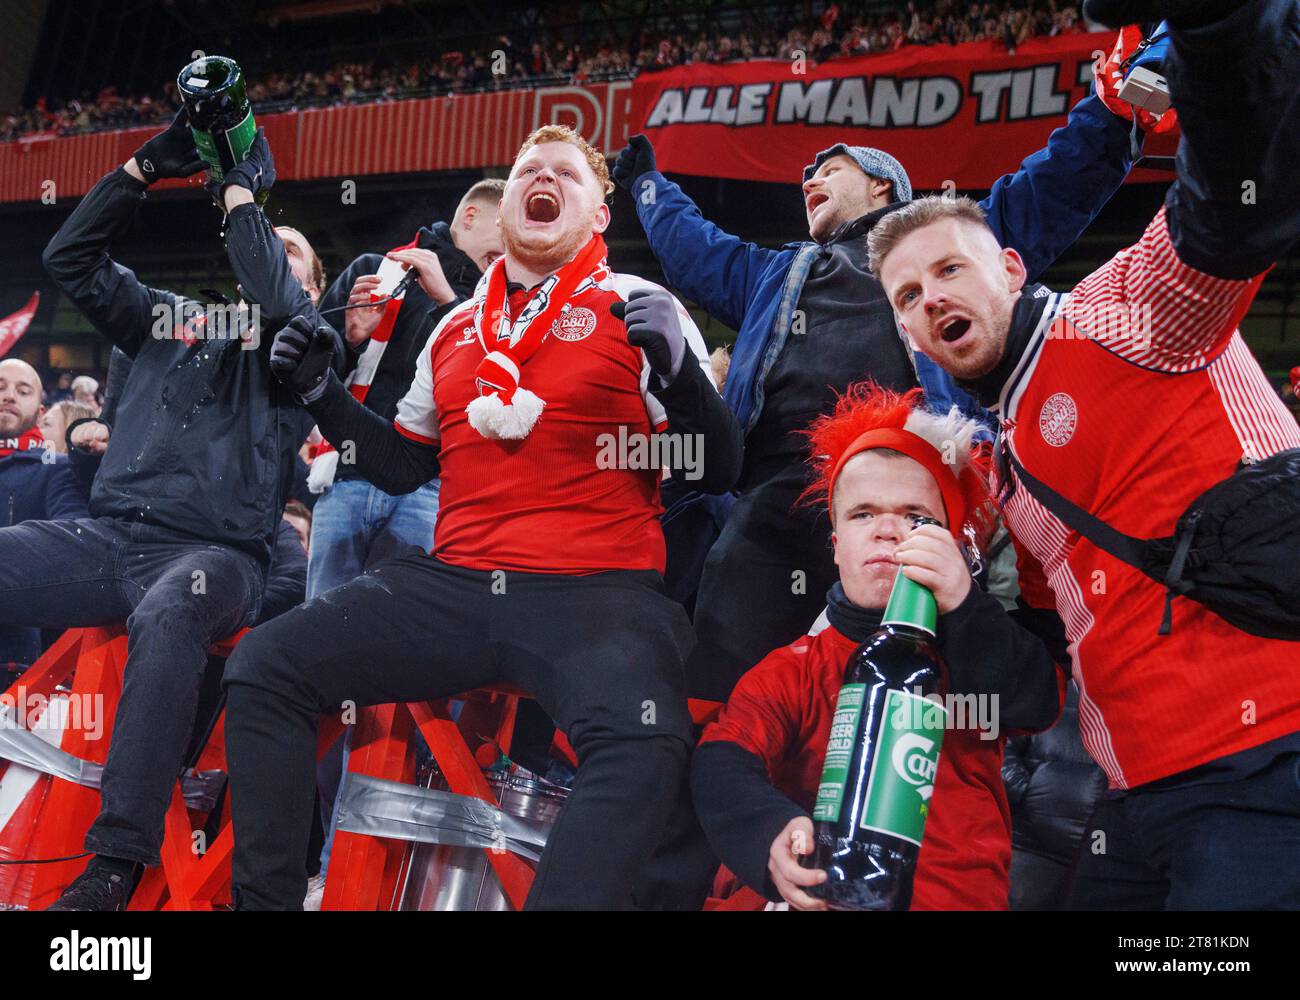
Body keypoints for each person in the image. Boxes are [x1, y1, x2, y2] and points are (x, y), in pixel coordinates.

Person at [223, 124, 744, 910]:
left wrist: (680, 377)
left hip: (598, 592)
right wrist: (321, 393)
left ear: (599, 214)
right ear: (504, 215)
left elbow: (718, 468)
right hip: (459, 582)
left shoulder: (641, 304)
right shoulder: (453, 327)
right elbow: (403, 463)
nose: (546, 178)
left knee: (644, 739)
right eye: (530, 170)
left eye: (567, 174)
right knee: (263, 664)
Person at [868, 0, 1300, 908]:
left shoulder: (1119, 312)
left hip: (1263, 761)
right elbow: (1037, 654)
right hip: (1134, 797)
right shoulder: (1001, 461)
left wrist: (1218, 34)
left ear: (1014, 270)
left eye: (950, 268)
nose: (928, 297)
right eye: (907, 294)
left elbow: (1230, 211)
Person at [612, 52, 1142, 702]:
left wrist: (1120, 111)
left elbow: (1054, 185)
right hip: (777, 496)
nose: (809, 175)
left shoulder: (951, 241)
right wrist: (648, 188)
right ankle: (722, 788)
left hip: (911, 488)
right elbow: (696, 249)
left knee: (890, 706)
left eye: (831, 168)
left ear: (885, 186)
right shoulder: (772, 273)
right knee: (726, 689)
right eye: (808, 170)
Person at [0, 110, 341, 911]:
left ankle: (114, 863)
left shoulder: (309, 342)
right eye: (264, 242)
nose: (268, 257)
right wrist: (143, 169)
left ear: (311, 287)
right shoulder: (171, 318)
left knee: (170, 611)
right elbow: (69, 257)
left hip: (218, 558)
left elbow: (273, 296)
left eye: (288, 253)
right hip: (109, 537)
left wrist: (239, 195)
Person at [692, 384, 1063, 909]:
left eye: (917, 516)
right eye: (863, 514)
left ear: (956, 544)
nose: (888, 529)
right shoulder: (794, 669)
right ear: (837, 546)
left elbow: (1033, 701)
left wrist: (962, 605)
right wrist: (768, 833)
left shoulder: (976, 657)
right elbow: (722, 760)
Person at [305, 178, 505, 899]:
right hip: (348, 472)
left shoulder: (497, 305)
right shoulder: (377, 267)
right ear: (473, 216)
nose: (507, 247)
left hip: (428, 486)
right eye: (499, 229)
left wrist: (457, 296)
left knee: (405, 679)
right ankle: (324, 854)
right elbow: (320, 347)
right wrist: (344, 327)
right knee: (320, 668)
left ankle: (360, 871)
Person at [0, 359, 89, 679]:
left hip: (10, 655)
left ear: (40, 411)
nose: (9, 395)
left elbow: (74, 543)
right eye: (1, 387)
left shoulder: (56, 468)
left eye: (23, 391)